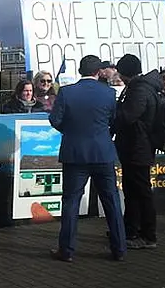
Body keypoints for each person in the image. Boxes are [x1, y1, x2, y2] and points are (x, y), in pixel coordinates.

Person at [48, 55, 126, 262]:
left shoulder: (66, 92)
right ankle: (119, 248)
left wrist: (71, 131)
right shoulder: (109, 93)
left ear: (80, 70)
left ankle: (67, 250)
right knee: (112, 201)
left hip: (75, 154)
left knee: (71, 202)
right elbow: (113, 120)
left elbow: (55, 120)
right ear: (98, 71)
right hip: (103, 152)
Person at [114, 54, 161, 250]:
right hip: (133, 147)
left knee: (141, 192)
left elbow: (127, 117)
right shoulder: (138, 87)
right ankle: (130, 228)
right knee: (131, 191)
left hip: (138, 147)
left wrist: (114, 112)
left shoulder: (140, 90)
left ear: (126, 73)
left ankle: (148, 235)